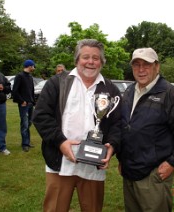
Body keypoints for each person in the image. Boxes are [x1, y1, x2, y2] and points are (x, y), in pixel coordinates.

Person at [32, 39, 121, 212]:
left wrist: (113, 146)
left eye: (96, 58)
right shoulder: (57, 83)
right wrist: (60, 142)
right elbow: (41, 116)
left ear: (102, 62)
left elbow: (118, 124)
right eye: (85, 57)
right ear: (76, 60)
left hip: (93, 165)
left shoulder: (110, 89)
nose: (90, 62)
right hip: (60, 162)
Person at [117, 48, 174, 212]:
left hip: (153, 175)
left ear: (157, 67)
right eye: (136, 65)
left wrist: (172, 163)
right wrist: (121, 159)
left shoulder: (170, 94)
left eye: (146, 64)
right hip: (129, 171)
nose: (141, 70)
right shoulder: (129, 91)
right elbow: (125, 127)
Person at [12, 59, 36, 152]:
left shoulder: (30, 77)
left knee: (29, 122)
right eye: (33, 66)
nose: (34, 68)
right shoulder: (20, 76)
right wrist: (21, 101)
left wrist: (33, 102)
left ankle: (27, 141)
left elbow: (31, 91)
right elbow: (15, 91)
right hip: (23, 104)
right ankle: (25, 144)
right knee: (24, 124)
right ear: (29, 66)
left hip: (30, 104)